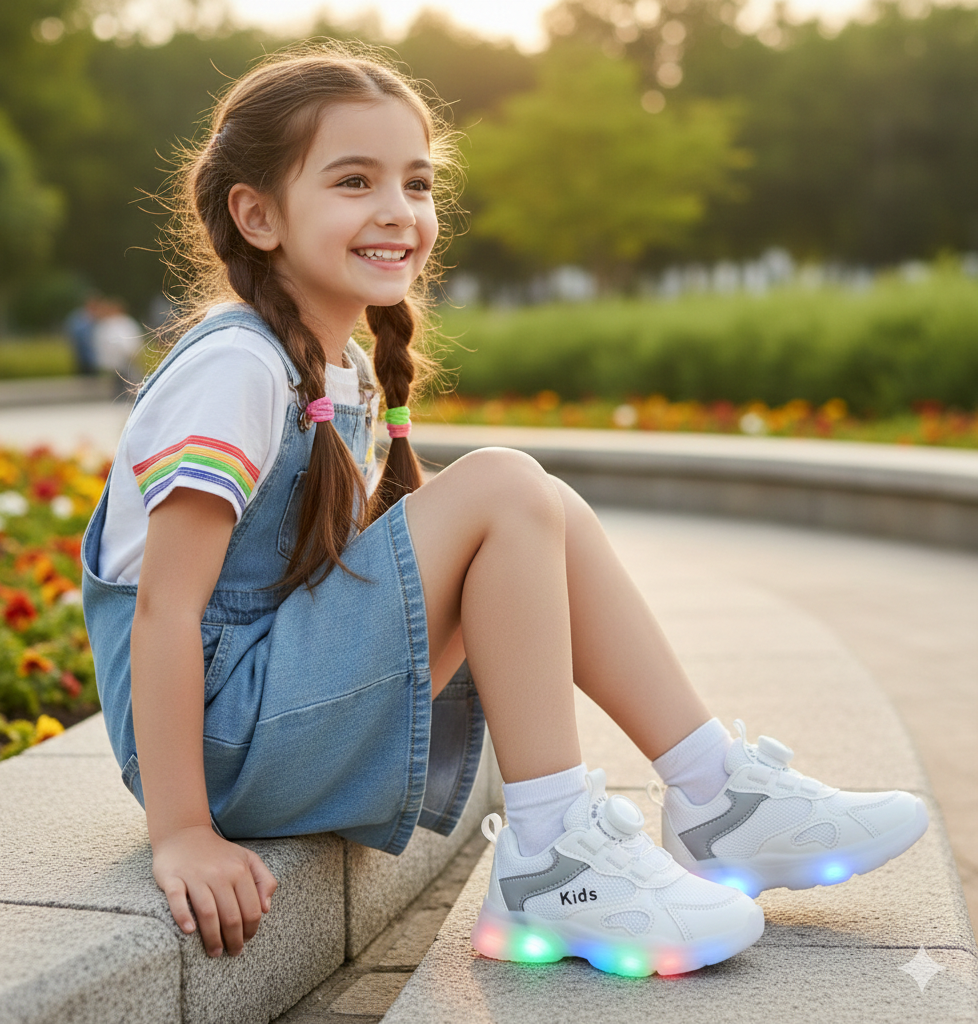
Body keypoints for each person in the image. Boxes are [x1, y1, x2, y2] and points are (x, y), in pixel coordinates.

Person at [80, 45, 928, 977]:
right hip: (218, 745)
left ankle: (716, 795)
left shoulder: (335, 363)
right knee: (504, 484)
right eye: (354, 181)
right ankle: (554, 854)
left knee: (540, 502)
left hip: (265, 717)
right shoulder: (235, 366)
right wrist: (183, 832)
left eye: (416, 181)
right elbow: (165, 607)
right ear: (259, 213)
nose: (398, 211)